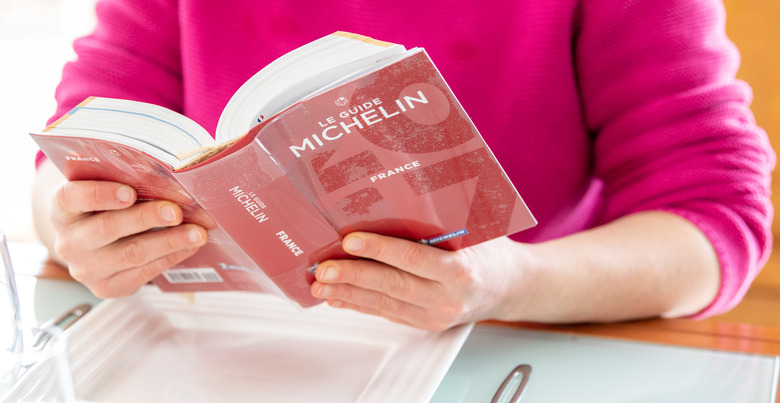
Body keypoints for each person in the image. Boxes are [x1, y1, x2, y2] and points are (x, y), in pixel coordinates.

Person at [32, 0, 774, 331]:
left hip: (504, 350)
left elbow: (716, 225)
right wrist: (68, 224)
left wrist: (509, 283)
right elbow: (68, 150)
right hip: (224, 352)